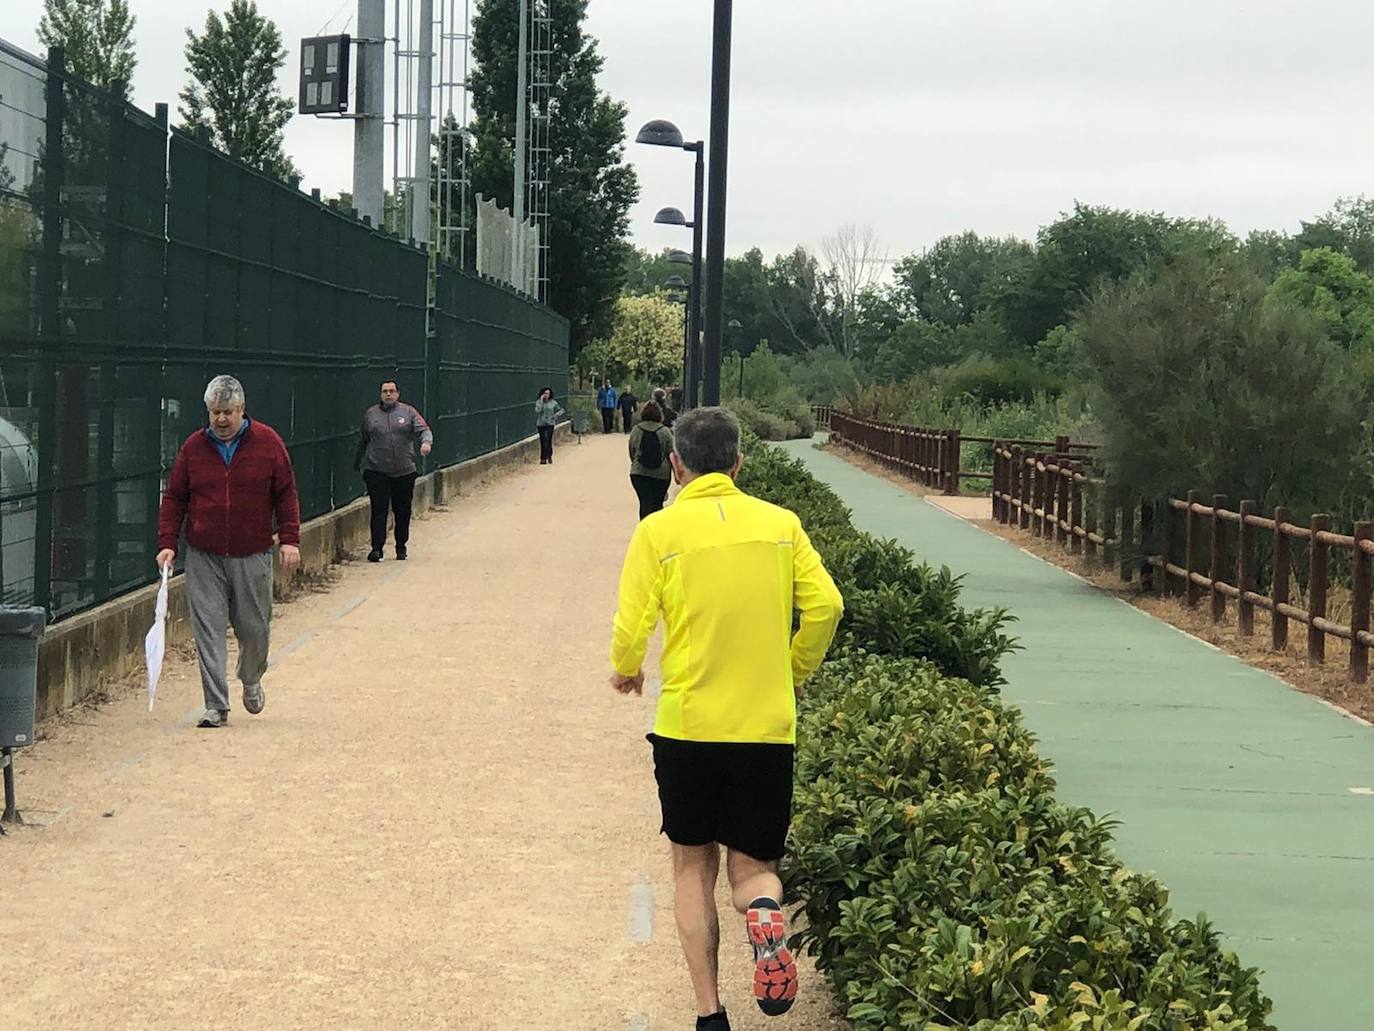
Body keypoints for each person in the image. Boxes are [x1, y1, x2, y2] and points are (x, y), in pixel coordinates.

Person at [608, 407, 844, 1030]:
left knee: (692, 864)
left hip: (688, 725)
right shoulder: (780, 524)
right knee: (753, 867)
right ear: (740, 461)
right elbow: (826, 607)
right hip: (765, 726)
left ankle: (711, 1013)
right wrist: (792, 671)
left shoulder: (659, 532)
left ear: (677, 465)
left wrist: (627, 666)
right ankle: (765, 922)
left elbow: (633, 620)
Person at [155, 375, 301, 729]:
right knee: (208, 628)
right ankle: (216, 705)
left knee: (255, 628)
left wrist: (290, 539)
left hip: (252, 552)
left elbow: (286, 493)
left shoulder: (268, 442)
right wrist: (167, 544)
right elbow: (175, 497)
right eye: (215, 412)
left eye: (228, 413)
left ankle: (251, 676)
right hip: (204, 553)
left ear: (242, 410)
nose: (221, 420)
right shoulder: (193, 447)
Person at [354, 379, 433, 563]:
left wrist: (426, 443)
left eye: (391, 391)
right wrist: (359, 463)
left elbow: (424, 430)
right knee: (379, 510)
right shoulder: (371, 414)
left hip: (404, 471)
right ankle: (377, 548)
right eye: (384, 391)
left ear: (398, 393)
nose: (388, 394)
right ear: (380, 395)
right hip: (376, 470)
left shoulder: (408, 412)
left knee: (402, 510)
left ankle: (401, 546)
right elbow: (363, 439)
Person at [628, 400, 674, 520]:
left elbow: (632, 450)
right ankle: (657, 533)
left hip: (639, 473)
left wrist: (636, 463)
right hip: (661, 475)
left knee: (645, 503)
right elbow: (672, 454)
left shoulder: (636, 430)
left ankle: (645, 531)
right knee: (657, 504)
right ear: (660, 415)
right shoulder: (665, 432)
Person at [534, 386, 564, 465]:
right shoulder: (538, 402)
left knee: (548, 440)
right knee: (542, 441)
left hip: (550, 423)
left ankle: (549, 456)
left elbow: (561, 410)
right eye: (545, 393)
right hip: (541, 423)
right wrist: (541, 400)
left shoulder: (553, 402)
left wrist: (556, 415)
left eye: (548, 393)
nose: (546, 395)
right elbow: (538, 411)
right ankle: (543, 458)